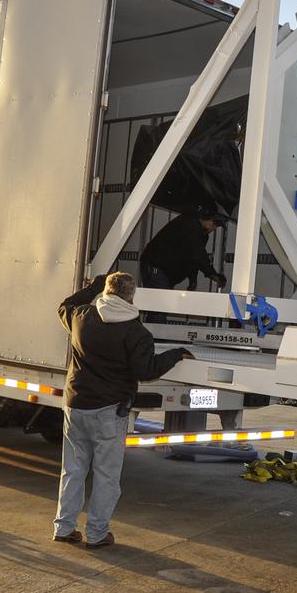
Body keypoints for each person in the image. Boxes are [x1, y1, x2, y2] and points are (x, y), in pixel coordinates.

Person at [53, 271, 192, 547]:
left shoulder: (81, 316)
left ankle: (64, 528)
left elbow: (63, 306)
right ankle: (96, 534)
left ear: (106, 291)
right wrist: (176, 354)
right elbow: (147, 370)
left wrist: (91, 287)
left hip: (75, 405)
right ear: (131, 296)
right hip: (109, 411)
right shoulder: (136, 333)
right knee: (106, 476)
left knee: (73, 470)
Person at [139, 211, 228, 291]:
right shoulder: (189, 224)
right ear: (206, 218)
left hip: (162, 270)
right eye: (215, 223)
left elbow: (194, 259)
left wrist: (193, 280)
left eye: (217, 225)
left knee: (160, 302)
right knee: (161, 303)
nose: (214, 228)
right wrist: (213, 275)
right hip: (157, 267)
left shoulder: (200, 233)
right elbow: (198, 254)